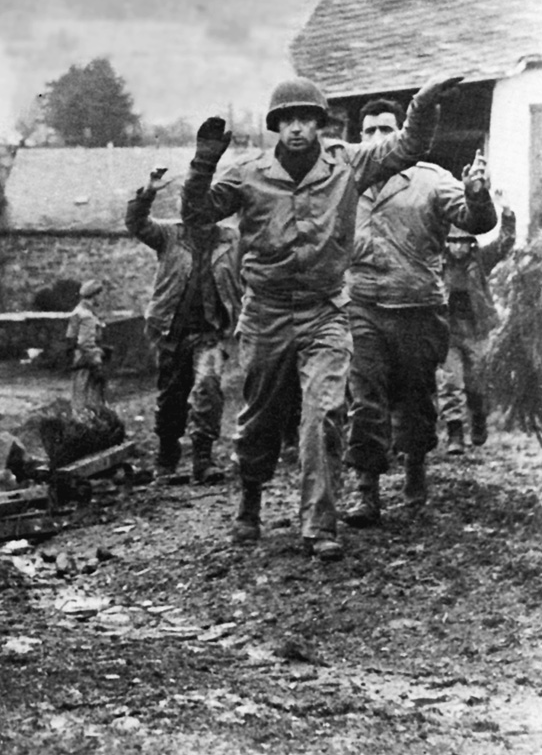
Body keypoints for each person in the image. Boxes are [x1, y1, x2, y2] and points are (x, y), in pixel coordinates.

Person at [181, 74, 459, 561]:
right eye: (286, 119)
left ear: (320, 123)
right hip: (266, 311)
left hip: (326, 310)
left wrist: (424, 104)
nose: (296, 129)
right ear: (275, 126)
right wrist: (204, 162)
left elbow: (408, 145)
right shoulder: (248, 173)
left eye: (305, 118)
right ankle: (250, 499)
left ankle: (319, 523)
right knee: (261, 416)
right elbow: (198, 216)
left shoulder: (348, 164)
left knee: (325, 412)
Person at [343, 99, 497, 529]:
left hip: (418, 309)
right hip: (362, 307)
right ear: (359, 136)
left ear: (402, 132)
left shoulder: (429, 180)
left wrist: (477, 195)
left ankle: (414, 471)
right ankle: (366, 490)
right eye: (369, 130)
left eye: (385, 129)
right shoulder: (344, 181)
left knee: (415, 397)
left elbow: (476, 221)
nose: (377, 138)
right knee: (365, 399)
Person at [125, 166, 242, 483]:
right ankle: (166, 460)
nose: (194, 211)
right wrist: (148, 191)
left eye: (202, 205)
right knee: (171, 396)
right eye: (189, 204)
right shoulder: (168, 235)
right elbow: (136, 223)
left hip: (210, 334)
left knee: (208, 389)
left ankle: (203, 460)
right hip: (170, 331)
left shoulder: (232, 240)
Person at [438, 196, 516, 455]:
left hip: (476, 329)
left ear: (471, 243)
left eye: (463, 241)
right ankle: (455, 433)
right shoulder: (438, 264)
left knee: (477, 381)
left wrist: (507, 215)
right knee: (450, 382)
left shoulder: (481, 259)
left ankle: (479, 419)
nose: (458, 247)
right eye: (453, 241)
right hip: (448, 331)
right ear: (447, 243)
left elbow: (505, 243)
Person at [67, 279, 109, 415]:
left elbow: (70, 336)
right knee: (89, 398)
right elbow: (86, 344)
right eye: (100, 295)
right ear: (95, 295)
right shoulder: (87, 316)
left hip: (78, 360)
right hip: (88, 361)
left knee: (79, 394)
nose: (101, 298)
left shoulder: (77, 311)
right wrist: (98, 358)